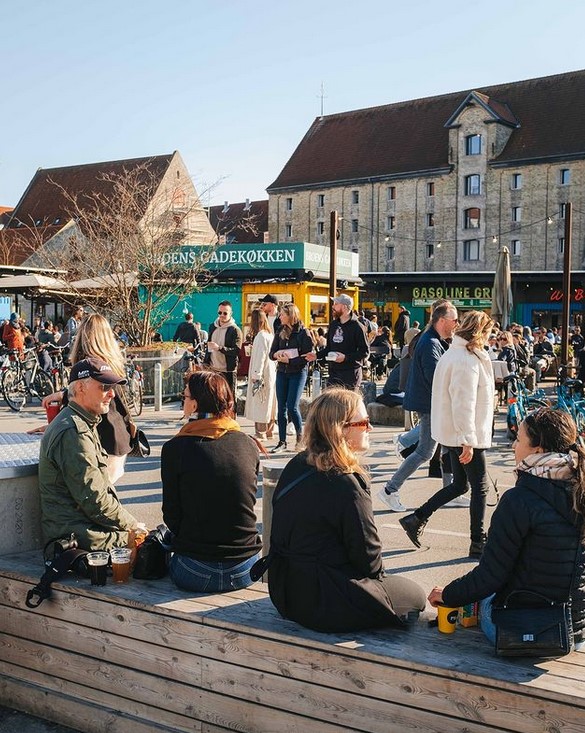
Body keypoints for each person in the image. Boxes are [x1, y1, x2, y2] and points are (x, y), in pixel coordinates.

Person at [267, 388, 426, 632]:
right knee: (415, 596)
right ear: (340, 429)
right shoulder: (346, 482)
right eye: (363, 423)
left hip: (285, 589)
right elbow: (369, 562)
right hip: (323, 601)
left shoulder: (296, 465)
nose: (370, 429)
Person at [428, 408, 585, 650]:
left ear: (538, 450)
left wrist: (447, 594)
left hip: (534, 631)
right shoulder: (580, 487)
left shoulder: (519, 500)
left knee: (483, 600)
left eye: (519, 439)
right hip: (578, 627)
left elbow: (490, 577)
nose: (513, 446)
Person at [398, 311, 495, 557]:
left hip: (453, 432)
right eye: (487, 333)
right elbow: (464, 402)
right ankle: (477, 541)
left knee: (461, 485)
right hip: (464, 433)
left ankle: (417, 517)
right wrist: (468, 440)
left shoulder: (455, 353)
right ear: (479, 332)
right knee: (479, 487)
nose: (489, 338)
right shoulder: (466, 359)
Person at [162, 371, 262, 592]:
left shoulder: (175, 449)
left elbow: (171, 515)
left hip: (194, 568)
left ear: (195, 406)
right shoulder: (247, 444)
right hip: (246, 567)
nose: (183, 400)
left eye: (185, 396)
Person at [38, 357, 145, 550]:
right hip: (78, 536)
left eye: (112, 387)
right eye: (104, 387)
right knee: (150, 543)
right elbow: (94, 500)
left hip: (85, 528)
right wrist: (133, 526)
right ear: (80, 388)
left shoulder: (82, 420)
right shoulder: (73, 431)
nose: (112, 394)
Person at [378, 302, 458, 512]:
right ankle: (389, 489)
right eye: (454, 320)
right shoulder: (430, 343)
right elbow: (436, 378)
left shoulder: (435, 339)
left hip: (433, 403)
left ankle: (450, 492)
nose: (456, 324)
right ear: (442, 320)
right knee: (425, 452)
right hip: (430, 404)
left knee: (447, 446)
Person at [41, 313, 134, 483]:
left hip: (102, 439)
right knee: (105, 496)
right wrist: (62, 394)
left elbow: (81, 400)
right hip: (119, 435)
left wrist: (55, 426)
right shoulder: (112, 361)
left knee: (97, 499)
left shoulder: (90, 364)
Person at [269, 303, 313, 453]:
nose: (280, 316)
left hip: (298, 372)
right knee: (281, 407)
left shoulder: (303, 333)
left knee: (292, 406)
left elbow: (308, 357)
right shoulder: (280, 330)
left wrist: (291, 361)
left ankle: (300, 438)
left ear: (290, 315)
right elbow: (272, 352)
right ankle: (282, 441)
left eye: (282, 314)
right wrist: (277, 355)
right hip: (282, 371)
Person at [307, 294, 369, 391]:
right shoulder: (333, 324)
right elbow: (329, 348)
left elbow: (364, 351)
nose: (333, 306)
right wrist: (316, 355)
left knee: (347, 404)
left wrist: (345, 357)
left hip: (350, 373)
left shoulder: (357, 327)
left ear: (344, 307)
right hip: (334, 372)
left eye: (336, 304)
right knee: (332, 403)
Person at [245, 309, 276, 439]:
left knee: (260, 401)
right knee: (270, 401)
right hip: (271, 371)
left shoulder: (260, 337)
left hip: (262, 372)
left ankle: (260, 432)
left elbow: (260, 356)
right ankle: (270, 431)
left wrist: (256, 375)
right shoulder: (270, 335)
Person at [204, 300, 242, 399]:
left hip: (227, 371)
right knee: (214, 398)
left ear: (231, 314)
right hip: (213, 369)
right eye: (219, 312)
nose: (222, 315)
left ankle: (231, 415)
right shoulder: (212, 326)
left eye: (225, 313)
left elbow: (236, 351)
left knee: (228, 399)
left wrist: (219, 348)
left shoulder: (235, 330)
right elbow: (209, 346)